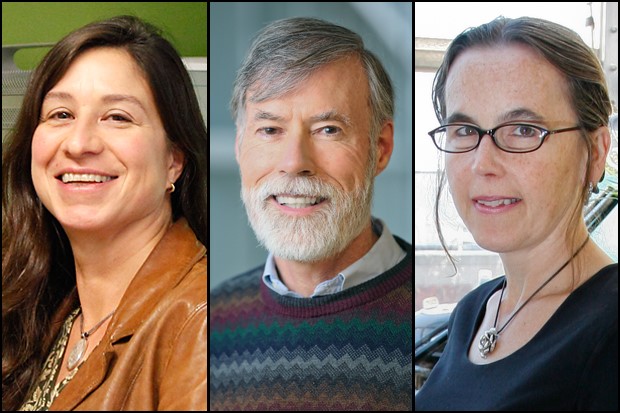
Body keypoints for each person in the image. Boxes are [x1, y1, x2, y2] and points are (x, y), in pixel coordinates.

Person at [2, 15, 208, 411]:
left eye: (118, 117)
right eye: (60, 114)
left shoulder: (199, 325)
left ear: (174, 161)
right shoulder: (45, 314)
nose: (79, 143)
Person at [209, 17, 412, 411]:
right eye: (269, 130)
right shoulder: (213, 320)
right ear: (238, 147)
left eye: (329, 129)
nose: (294, 163)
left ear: (381, 148)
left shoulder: (433, 319)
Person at [415, 16, 618, 410]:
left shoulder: (609, 334)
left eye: (523, 129)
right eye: (464, 130)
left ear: (595, 152)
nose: (482, 163)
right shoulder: (474, 310)